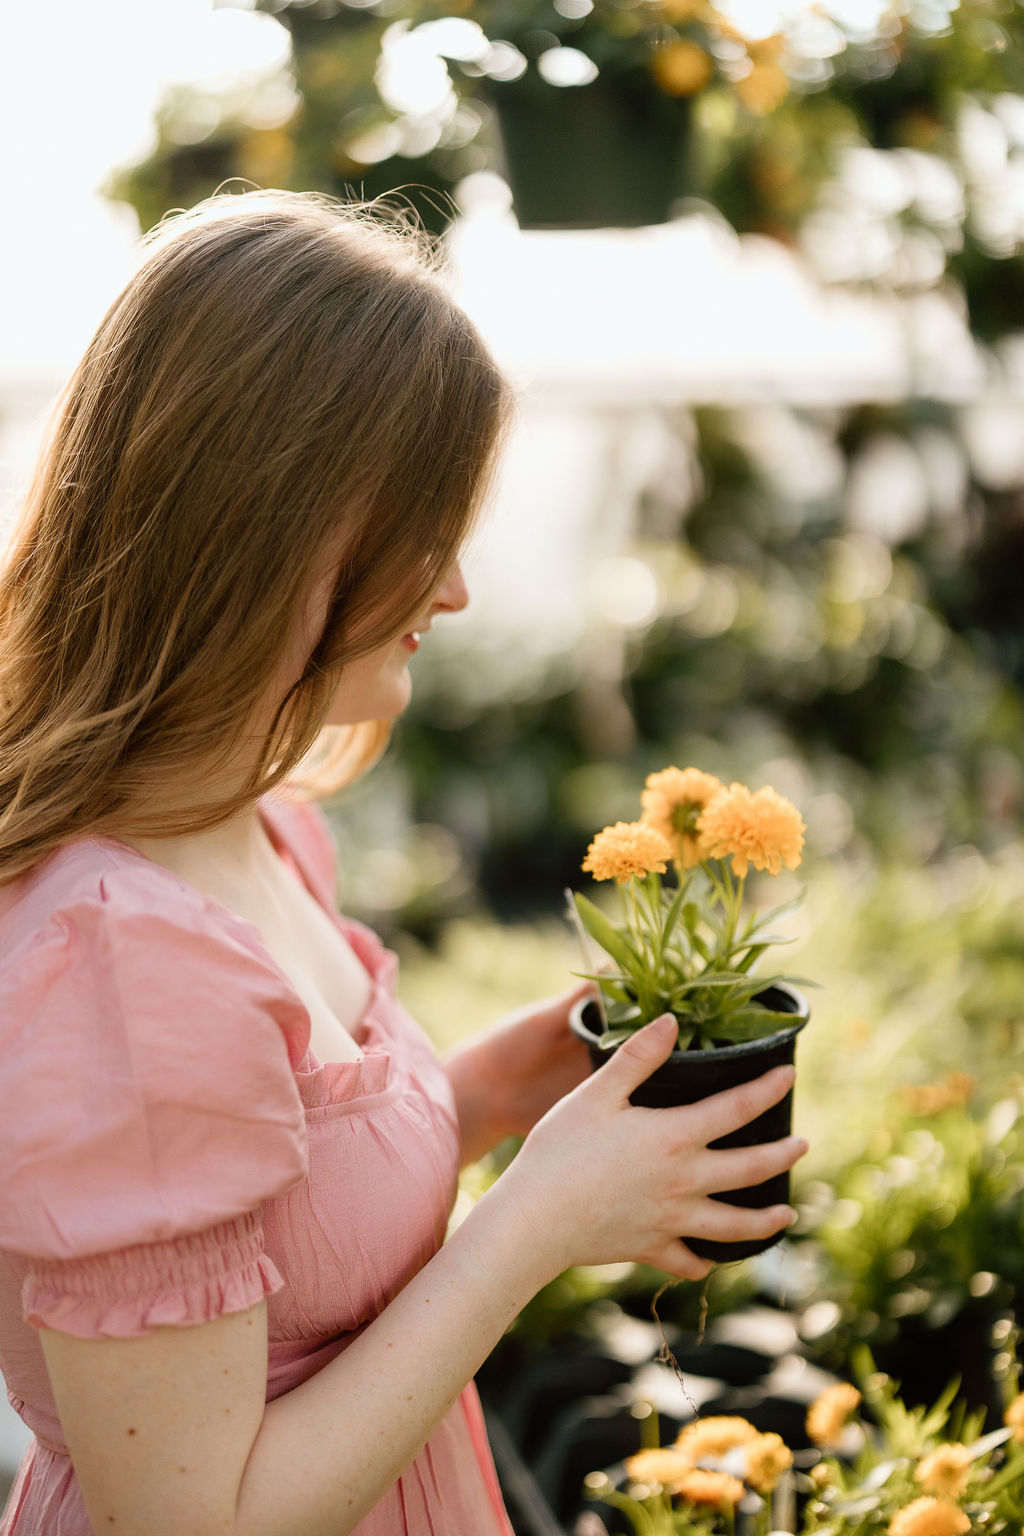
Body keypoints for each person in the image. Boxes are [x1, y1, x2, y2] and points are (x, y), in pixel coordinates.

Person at [0, 189, 807, 1536]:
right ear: (273, 528)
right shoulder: (122, 965)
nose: (457, 591)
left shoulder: (256, 826)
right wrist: (532, 1225)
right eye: (425, 531)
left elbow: (280, 1208)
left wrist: (491, 1090)